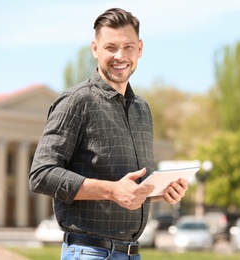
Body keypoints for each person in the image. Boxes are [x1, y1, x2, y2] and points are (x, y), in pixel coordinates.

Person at [29, 8, 189, 260]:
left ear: (140, 49)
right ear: (95, 49)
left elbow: (129, 191)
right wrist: (112, 190)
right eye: (110, 47)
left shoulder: (142, 109)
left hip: (131, 253)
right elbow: (41, 174)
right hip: (89, 252)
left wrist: (161, 191)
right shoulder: (76, 101)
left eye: (127, 47)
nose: (119, 56)